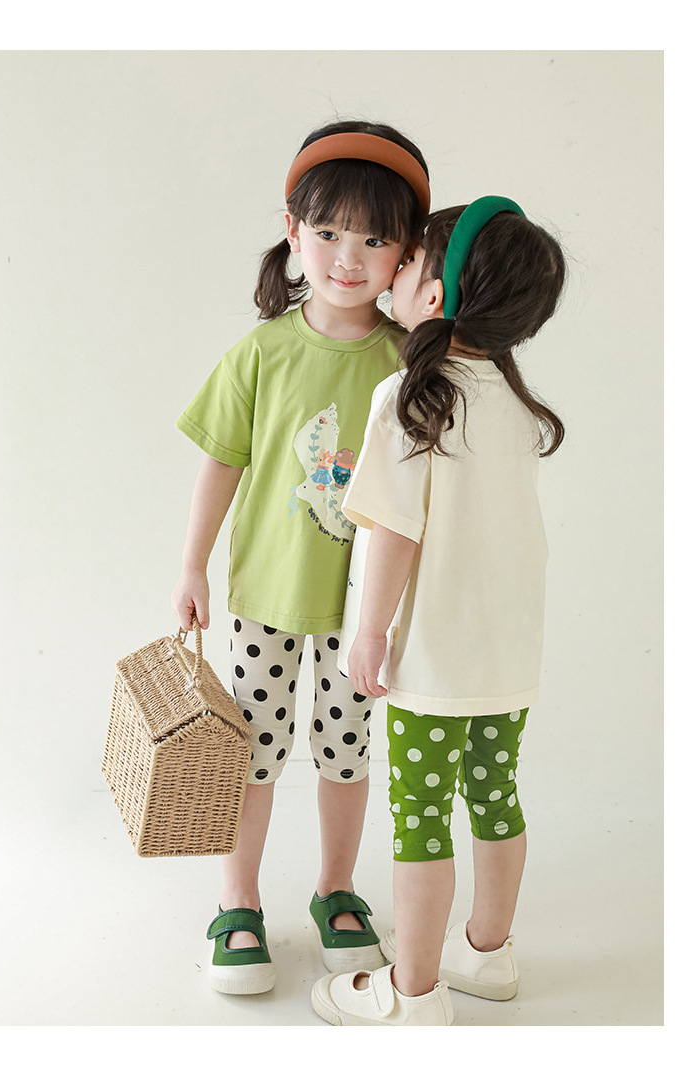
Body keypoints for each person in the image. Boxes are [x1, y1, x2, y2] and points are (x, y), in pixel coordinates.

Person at [171, 119, 431, 995]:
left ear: (406, 253)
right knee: (252, 748)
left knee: (346, 751)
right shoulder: (263, 351)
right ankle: (237, 899)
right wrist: (192, 565)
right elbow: (221, 462)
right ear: (292, 230)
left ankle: (336, 889)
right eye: (327, 232)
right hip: (266, 597)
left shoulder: (407, 362)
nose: (348, 258)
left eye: (375, 239)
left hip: (365, 612)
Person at [311, 197, 567, 1026]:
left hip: (432, 657)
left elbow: (394, 531)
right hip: (507, 651)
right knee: (496, 795)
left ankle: (412, 993)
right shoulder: (515, 404)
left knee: (420, 817)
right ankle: (487, 952)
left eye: (409, 258)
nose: (391, 268)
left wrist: (369, 633)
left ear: (434, 295)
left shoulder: (411, 397)